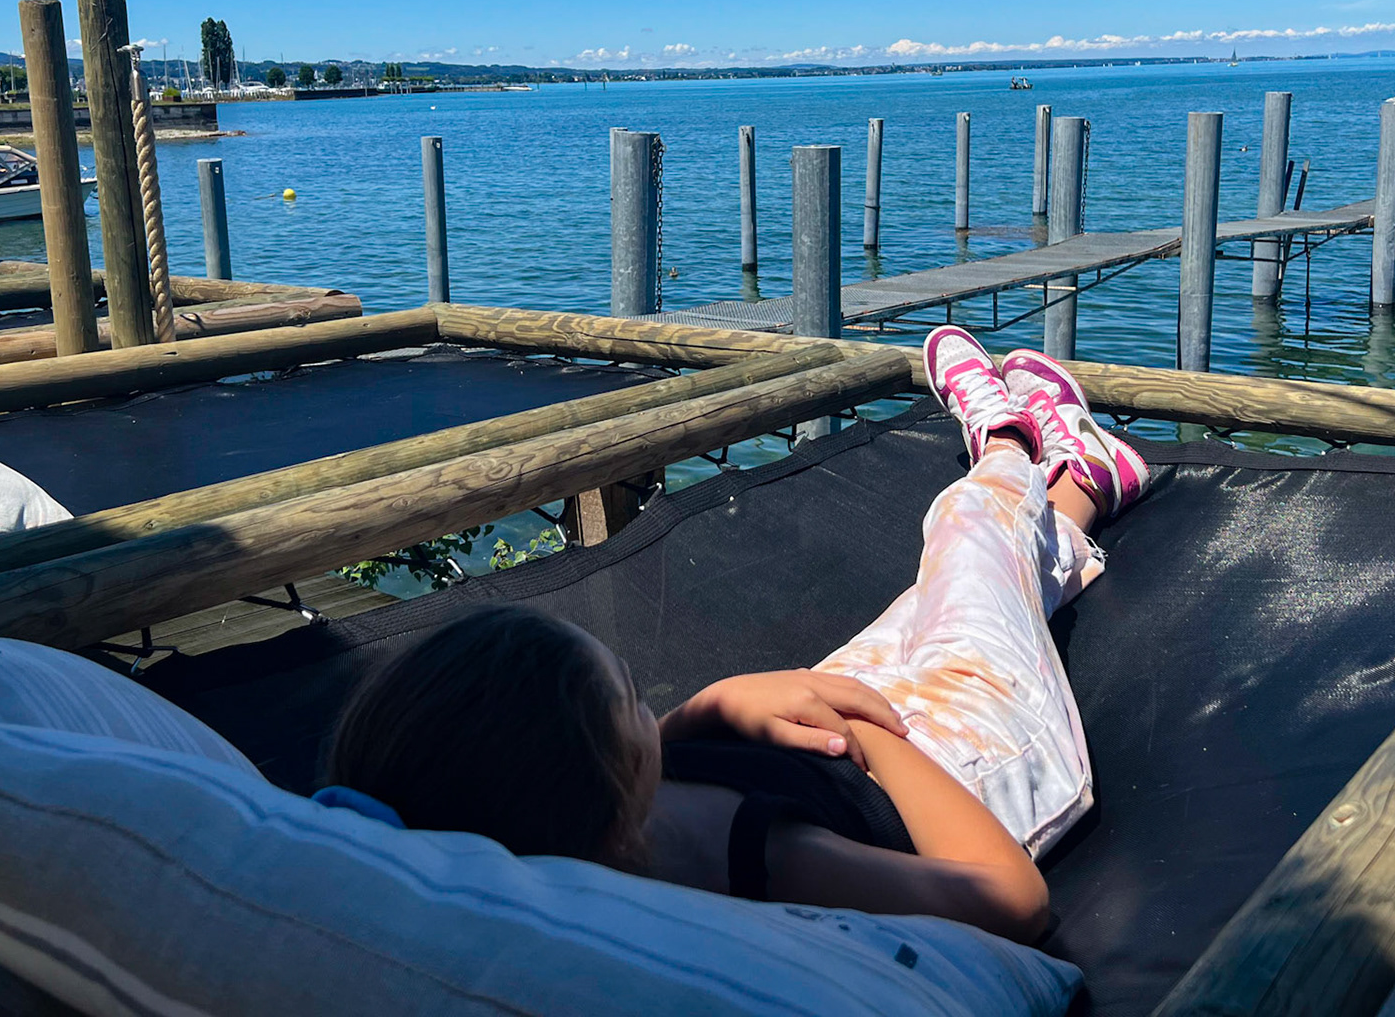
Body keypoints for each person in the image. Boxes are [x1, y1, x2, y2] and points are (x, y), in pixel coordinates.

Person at [320, 327, 1148, 942]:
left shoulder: (570, 823)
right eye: (636, 705)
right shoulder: (756, 854)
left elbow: (618, 777)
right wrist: (872, 733)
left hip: (830, 737)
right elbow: (1011, 901)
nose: (659, 707)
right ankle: (1010, 444)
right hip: (955, 765)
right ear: (619, 806)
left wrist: (711, 709)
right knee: (964, 542)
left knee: (949, 589)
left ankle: (1080, 486)